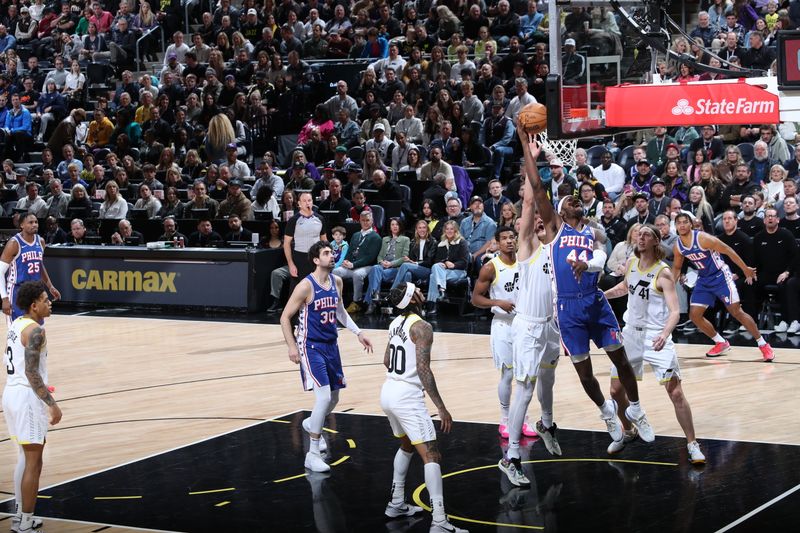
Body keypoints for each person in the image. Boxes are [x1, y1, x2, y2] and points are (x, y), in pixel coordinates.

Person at [527, 128, 656, 446]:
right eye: (569, 198)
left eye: (577, 197)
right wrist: (532, 159)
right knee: (584, 373)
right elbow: (538, 189)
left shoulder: (594, 229)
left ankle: (636, 410)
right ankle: (607, 413)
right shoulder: (556, 228)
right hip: (568, 307)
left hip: (594, 300)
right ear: (560, 211)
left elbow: (602, 253)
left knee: (621, 360)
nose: (575, 198)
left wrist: (593, 263)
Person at [604, 225, 706, 463]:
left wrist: (664, 333)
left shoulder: (664, 273)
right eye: (638, 234)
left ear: (656, 241)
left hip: (656, 336)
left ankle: (692, 443)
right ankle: (628, 430)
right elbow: (624, 287)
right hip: (630, 335)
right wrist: (602, 295)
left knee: (676, 392)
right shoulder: (630, 263)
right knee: (615, 391)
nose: (640, 237)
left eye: (646, 234)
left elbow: (675, 312)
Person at [381, 282, 468, 533]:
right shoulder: (422, 327)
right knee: (431, 454)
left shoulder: (394, 323)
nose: (421, 291)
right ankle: (439, 521)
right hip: (406, 397)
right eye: (416, 290)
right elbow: (423, 369)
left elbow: (387, 359)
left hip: (388, 391)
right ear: (413, 298)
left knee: (407, 444)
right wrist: (441, 407)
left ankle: (396, 502)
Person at [279, 240, 373, 473]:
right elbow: (284, 317)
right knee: (322, 400)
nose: (332, 256)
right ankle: (311, 454)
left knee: (333, 400)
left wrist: (358, 332)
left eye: (332, 252)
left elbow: (339, 310)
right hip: (310, 347)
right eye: (326, 253)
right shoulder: (305, 286)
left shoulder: (337, 281)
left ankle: (311, 423)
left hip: (332, 345)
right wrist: (292, 347)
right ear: (315, 259)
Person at [672, 212, 774, 361]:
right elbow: (676, 267)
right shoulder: (678, 246)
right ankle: (720, 342)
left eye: (684, 222)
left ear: (691, 224)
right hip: (704, 279)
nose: (682, 225)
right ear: (675, 226)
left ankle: (763, 344)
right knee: (694, 315)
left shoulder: (703, 238)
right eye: (679, 223)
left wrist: (745, 269)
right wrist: (669, 285)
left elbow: (728, 250)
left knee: (736, 311)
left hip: (721, 276)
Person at [2, 280, 61, 533]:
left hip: (11, 394)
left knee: (24, 458)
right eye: (45, 300)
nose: (50, 303)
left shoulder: (17, 323)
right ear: (34, 305)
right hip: (27, 397)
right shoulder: (36, 331)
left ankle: (20, 516)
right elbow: (32, 374)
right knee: (34, 462)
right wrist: (52, 405)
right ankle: (25, 523)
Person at [0, 213, 60, 322]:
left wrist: (50, 286)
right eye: (30, 222)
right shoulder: (14, 243)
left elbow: (39, 265)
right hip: (18, 290)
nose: (34, 225)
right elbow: (0, 272)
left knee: (37, 330)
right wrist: (4, 298)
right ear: (22, 225)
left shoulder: (40, 241)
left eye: (36, 222)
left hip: (36, 291)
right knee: (18, 330)